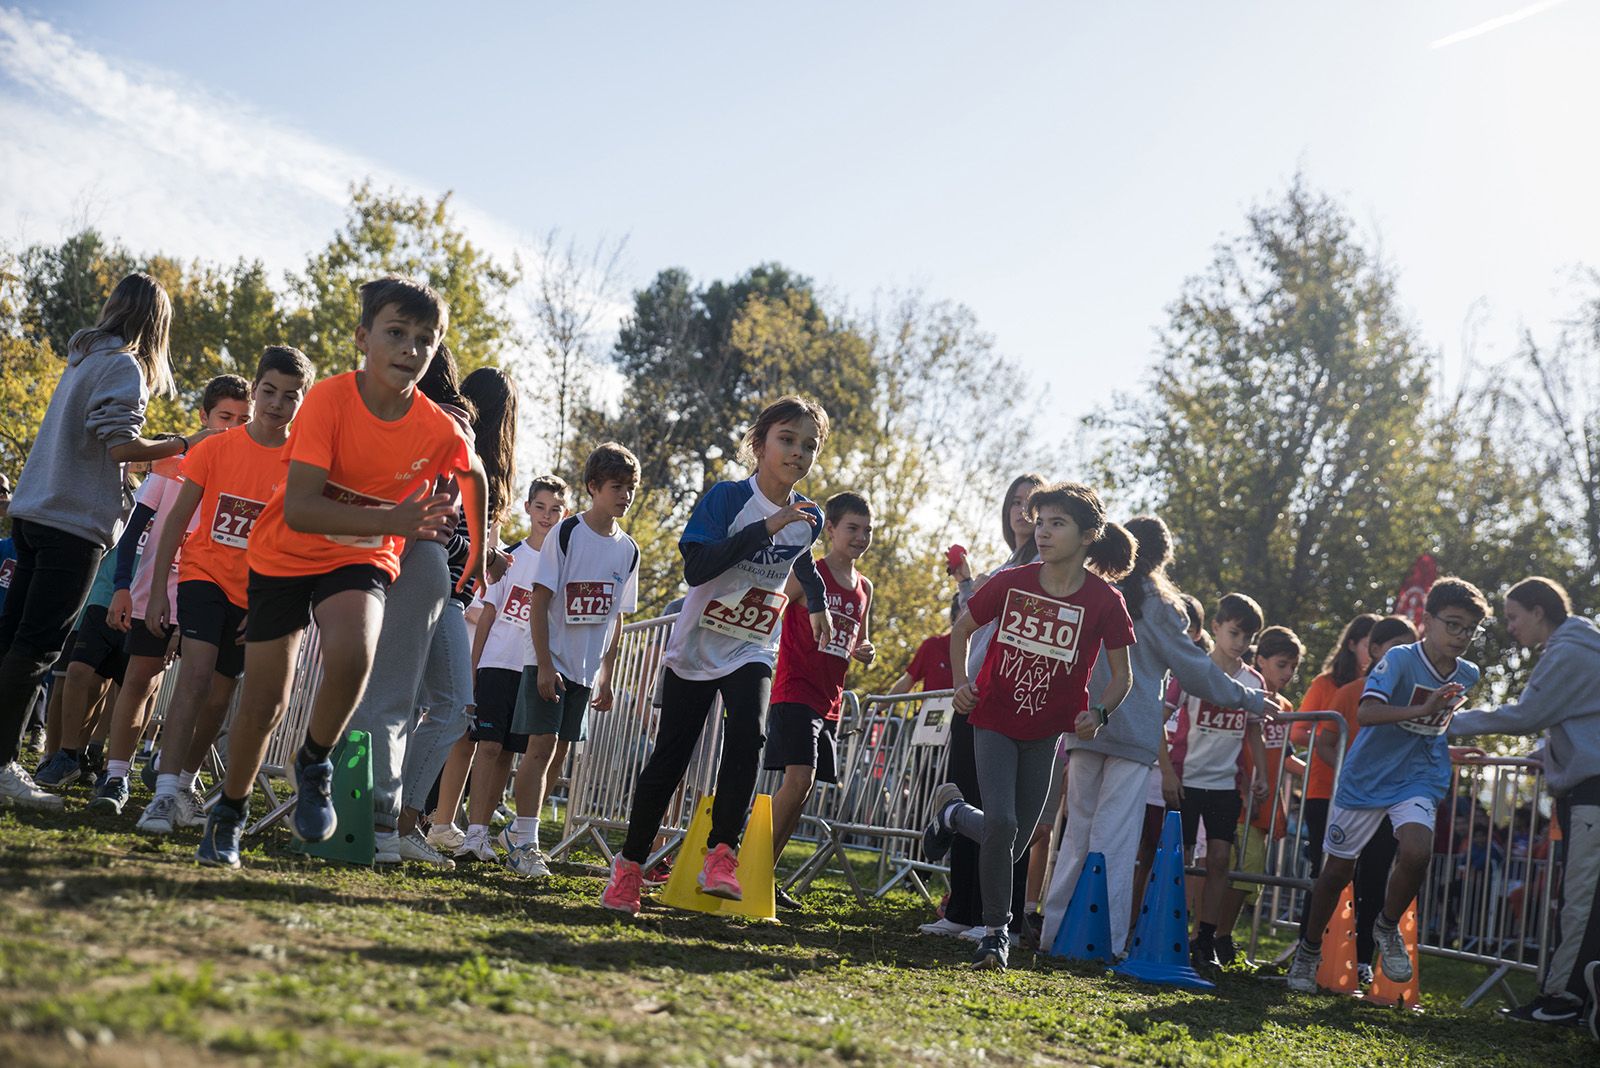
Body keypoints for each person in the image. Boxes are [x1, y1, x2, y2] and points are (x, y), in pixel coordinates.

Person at [195, 276, 485, 868]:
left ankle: (316, 760)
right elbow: (300, 509)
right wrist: (398, 514)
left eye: (424, 339)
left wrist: (480, 548)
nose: (410, 348)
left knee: (354, 653)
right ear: (363, 338)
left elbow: (474, 473)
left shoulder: (437, 425)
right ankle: (229, 810)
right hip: (286, 552)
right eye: (396, 333)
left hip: (362, 556)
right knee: (264, 703)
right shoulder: (329, 398)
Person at [601, 395, 834, 916]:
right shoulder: (727, 499)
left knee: (750, 732)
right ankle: (629, 868)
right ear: (759, 445)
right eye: (787, 440)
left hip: (752, 643)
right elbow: (698, 568)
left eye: (809, 446)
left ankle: (721, 853)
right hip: (697, 644)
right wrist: (763, 530)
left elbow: (805, 565)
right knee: (671, 758)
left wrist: (817, 606)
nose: (798, 453)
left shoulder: (810, 517)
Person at [0, 274, 210, 809]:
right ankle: (3, 764)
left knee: (11, 640)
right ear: (157, 324)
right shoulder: (123, 366)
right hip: (71, 524)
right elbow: (119, 445)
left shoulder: (83, 359)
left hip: (34, 511)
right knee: (37, 647)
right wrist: (187, 443)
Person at [922, 482, 1136, 969]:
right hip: (993, 716)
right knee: (1001, 822)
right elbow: (961, 629)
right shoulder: (1015, 581)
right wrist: (960, 682)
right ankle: (997, 932)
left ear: (1088, 535)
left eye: (1056, 523)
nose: (1042, 531)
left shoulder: (1105, 601)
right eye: (1040, 522)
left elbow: (1124, 676)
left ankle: (952, 815)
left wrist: (1099, 713)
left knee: (1017, 839)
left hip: (1047, 731)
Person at [1039, 515, 1274, 956]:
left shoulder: (1091, 588)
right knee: (1115, 839)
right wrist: (1252, 699)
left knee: (1076, 836)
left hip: (1086, 723)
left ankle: (1055, 934)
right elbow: (1197, 671)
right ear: (1164, 556)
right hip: (1130, 732)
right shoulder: (1161, 606)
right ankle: (1102, 941)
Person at [133, 348, 315, 833]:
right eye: (269, 391)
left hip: (258, 593)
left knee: (219, 695)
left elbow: (297, 541)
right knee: (193, 677)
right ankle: (164, 792)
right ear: (254, 391)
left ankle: (186, 783)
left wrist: (272, 605)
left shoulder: (303, 463)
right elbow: (174, 522)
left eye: (290, 395)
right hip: (202, 574)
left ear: (304, 401)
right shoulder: (215, 448)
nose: (277, 403)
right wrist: (155, 594)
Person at [1287, 577, 1491, 991]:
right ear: (1427, 621)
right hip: (1367, 778)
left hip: (1418, 777)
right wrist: (1424, 706)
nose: (1461, 636)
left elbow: (1429, 726)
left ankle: (1386, 926)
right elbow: (1367, 714)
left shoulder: (1468, 673)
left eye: (1470, 629)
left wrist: (1449, 748)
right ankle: (1308, 953)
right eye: (1453, 624)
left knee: (1417, 851)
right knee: (1335, 873)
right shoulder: (1399, 659)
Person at [87, 375, 252, 813]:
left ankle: (177, 775)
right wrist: (122, 587)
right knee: (140, 679)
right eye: (224, 417)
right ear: (203, 417)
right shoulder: (170, 465)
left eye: (242, 419)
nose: (232, 428)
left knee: (206, 690)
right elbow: (134, 531)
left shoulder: (252, 470)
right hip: (154, 589)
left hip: (214, 592)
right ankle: (115, 776)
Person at [1447, 577, 1600, 1026]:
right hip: (1588, 790)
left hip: (1592, 795)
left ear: (1539, 611)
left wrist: (1448, 722)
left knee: (1580, 898)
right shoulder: (1584, 648)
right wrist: (1548, 755)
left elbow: (1526, 714)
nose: (1510, 626)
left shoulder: (1568, 653)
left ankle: (1561, 1001)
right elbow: (1581, 723)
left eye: (1513, 616)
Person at [386, 363, 520, 866]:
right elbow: (438, 523)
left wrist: (483, 555)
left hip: (448, 591)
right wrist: (479, 554)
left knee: (429, 706)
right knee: (441, 706)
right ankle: (393, 820)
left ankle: (398, 819)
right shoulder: (455, 438)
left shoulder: (465, 445)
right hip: (430, 585)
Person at [505, 444, 641, 876]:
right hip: (550, 660)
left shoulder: (629, 550)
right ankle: (526, 843)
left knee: (560, 753)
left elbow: (616, 616)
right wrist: (544, 664)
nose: (625, 495)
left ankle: (519, 832)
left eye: (631, 488)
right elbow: (540, 601)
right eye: (617, 487)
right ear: (593, 487)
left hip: (586, 669)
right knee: (540, 747)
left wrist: (608, 674)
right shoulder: (567, 533)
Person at [921, 473, 1044, 942]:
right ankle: (963, 908)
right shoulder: (1007, 564)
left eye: (1032, 504)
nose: (1022, 512)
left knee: (1004, 814)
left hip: (1011, 701)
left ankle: (1002, 920)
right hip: (973, 694)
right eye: (1015, 502)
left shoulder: (1044, 572)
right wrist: (967, 580)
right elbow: (976, 619)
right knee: (962, 797)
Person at [764, 491, 876, 910]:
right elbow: (773, 608)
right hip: (794, 688)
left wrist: (866, 651)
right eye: (852, 528)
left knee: (803, 792)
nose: (860, 537)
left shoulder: (865, 587)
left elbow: (859, 641)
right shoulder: (811, 572)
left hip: (831, 701)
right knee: (799, 780)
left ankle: (765, 875)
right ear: (830, 529)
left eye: (867, 530)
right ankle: (744, 861)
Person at [457, 476, 569, 868]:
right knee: (487, 747)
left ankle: (497, 831)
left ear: (565, 513)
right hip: (497, 665)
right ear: (527, 508)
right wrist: (473, 670)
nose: (547, 516)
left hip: (532, 669)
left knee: (512, 754)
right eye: (540, 507)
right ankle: (474, 835)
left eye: (555, 509)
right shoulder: (509, 558)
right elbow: (488, 616)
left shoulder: (563, 566)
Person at [1302, 614, 1416, 985]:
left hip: (1389, 804)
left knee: (1375, 880)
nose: (1403, 656)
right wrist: (1347, 773)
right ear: (1374, 649)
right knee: (1333, 873)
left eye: (1409, 649)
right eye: (1395, 648)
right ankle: (1308, 950)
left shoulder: (1415, 695)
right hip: (1349, 799)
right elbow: (1325, 741)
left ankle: (1364, 960)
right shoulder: (1350, 691)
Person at [1163, 592, 1272, 969]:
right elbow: (1159, 718)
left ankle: (1204, 938)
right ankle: (1166, 930)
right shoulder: (1192, 669)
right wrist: (1165, 771)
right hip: (1186, 779)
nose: (1240, 643)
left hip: (1226, 785)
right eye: (1235, 632)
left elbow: (1254, 732)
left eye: (1248, 637)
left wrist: (1261, 774)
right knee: (1179, 859)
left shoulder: (1253, 679)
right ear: (1216, 627)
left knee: (1221, 859)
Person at [1214, 625, 1303, 963]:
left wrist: (1330, 771)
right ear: (1261, 660)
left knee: (1248, 872)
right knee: (1234, 866)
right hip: (1237, 795)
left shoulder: (1287, 705)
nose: (1289, 673)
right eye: (1282, 664)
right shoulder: (1244, 694)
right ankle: (1211, 935)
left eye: (1294, 667)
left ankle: (1220, 936)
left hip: (1264, 803)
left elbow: (1285, 755)